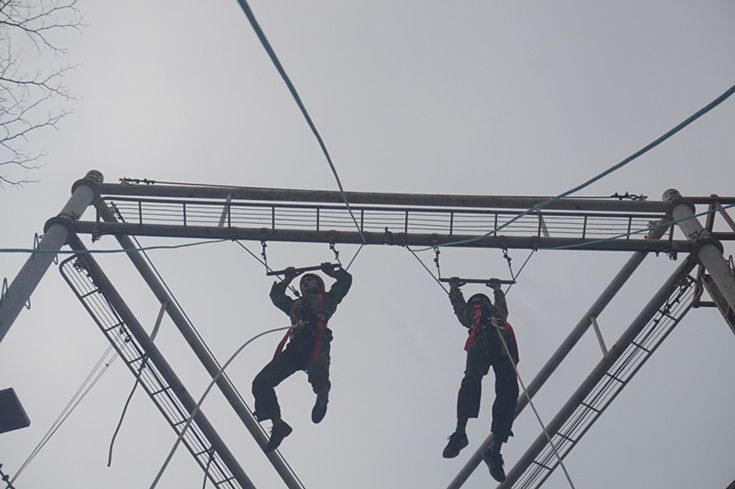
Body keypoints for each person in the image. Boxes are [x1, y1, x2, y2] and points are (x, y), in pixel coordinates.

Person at [252, 262, 352, 453]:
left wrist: (332, 273)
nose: (306, 282)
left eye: (310, 280)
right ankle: (278, 424)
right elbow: (276, 296)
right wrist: (287, 279)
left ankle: (322, 396)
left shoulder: (327, 299)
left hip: (316, 343)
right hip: (296, 348)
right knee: (261, 383)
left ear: (319, 286)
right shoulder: (294, 305)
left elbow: (345, 282)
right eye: (303, 281)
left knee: (318, 374)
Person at [442, 277, 519, 483]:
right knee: (471, 380)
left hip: (502, 345)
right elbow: (460, 309)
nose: (480, 303)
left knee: (509, 391)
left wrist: (497, 289)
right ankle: (460, 433)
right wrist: (454, 290)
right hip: (482, 340)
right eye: (477, 301)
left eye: (481, 300)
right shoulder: (471, 315)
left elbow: (502, 307)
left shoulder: (497, 313)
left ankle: (494, 450)